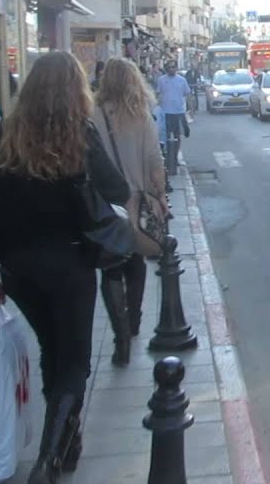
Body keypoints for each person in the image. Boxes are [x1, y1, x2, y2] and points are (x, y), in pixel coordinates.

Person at [0, 51, 129, 484]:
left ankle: (67, 437)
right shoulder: (79, 135)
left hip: (20, 267)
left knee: (52, 350)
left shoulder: (0, 135)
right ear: (74, 90)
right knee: (75, 361)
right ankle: (50, 456)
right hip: (70, 262)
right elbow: (117, 188)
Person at [91, 58, 168, 366]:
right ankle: (134, 321)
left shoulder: (91, 115)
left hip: (103, 203)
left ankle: (120, 333)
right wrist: (160, 194)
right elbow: (154, 158)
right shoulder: (141, 115)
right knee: (135, 259)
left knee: (110, 266)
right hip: (136, 200)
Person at [155, 61, 191, 164]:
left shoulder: (182, 80)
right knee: (165, 135)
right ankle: (166, 156)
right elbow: (157, 94)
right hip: (165, 112)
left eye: (173, 67)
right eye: (170, 67)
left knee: (177, 135)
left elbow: (188, 94)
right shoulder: (161, 80)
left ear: (176, 68)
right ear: (166, 68)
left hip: (178, 112)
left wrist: (190, 109)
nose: (172, 69)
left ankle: (175, 156)